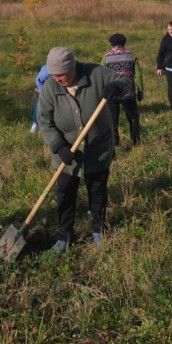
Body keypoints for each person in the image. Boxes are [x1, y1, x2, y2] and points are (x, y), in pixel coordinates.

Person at [37, 47, 128, 254]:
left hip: (97, 150)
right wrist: (59, 146)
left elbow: (124, 81)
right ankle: (64, 236)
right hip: (67, 154)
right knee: (65, 194)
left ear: (73, 68)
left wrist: (116, 86)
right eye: (54, 75)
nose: (58, 79)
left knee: (97, 191)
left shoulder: (96, 74)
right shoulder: (50, 88)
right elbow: (44, 121)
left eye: (62, 75)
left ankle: (98, 231)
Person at [102, 33, 143, 146]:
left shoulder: (107, 57)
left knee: (113, 120)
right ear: (124, 43)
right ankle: (136, 141)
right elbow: (138, 75)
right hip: (128, 91)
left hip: (112, 92)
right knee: (133, 117)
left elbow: (102, 74)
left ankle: (115, 143)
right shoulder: (131, 55)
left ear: (111, 43)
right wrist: (140, 91)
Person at [30, 65, 50, 134]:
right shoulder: (48, 71)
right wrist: (42, 93)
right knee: (38, 108)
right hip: (40, 90)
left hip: (50, 91)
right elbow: (38, 80)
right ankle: (34, 125)